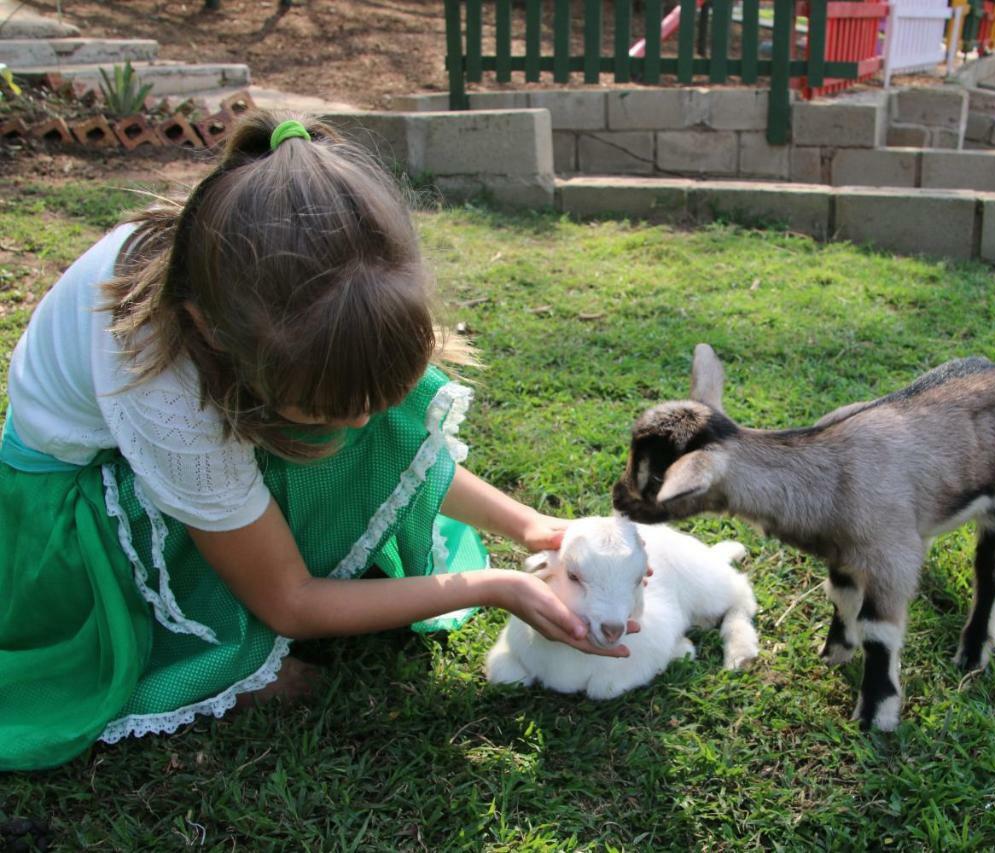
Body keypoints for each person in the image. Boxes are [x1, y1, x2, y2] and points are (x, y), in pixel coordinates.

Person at [0, 112, 632, 772]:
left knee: (368, 405)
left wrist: (530, 525)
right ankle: (221, 658)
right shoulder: (164, 391)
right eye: (336, 409)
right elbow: (290, 600)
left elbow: (393, 439)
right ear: (212, 334)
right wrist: (489, 585)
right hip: (75, 503)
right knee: (253, 571)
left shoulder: (281, 291)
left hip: (225, 404)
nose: (361, 428)